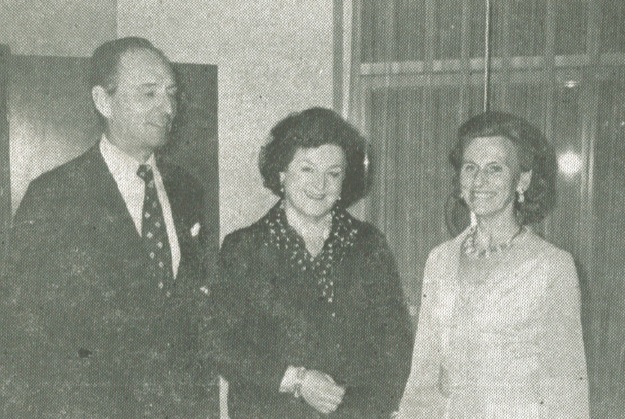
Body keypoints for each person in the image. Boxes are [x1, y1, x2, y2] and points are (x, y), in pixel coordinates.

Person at [0, 37, 217, 417]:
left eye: (171, 94)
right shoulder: (54, 196)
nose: (167, 108)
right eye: (148, 93)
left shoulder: (186, 189)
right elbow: (24, 330)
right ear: (103, 101)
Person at [200, 107, 413, 417]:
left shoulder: (369, 245)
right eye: (308, 169)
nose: (320, 184)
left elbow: (396, 347)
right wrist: (296, 379)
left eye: (333, 173)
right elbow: (218, 342)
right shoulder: (244, 248)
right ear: (282, 173)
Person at [397, 111, 590, 418]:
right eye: (470, 167)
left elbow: (566, 385)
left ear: (522, 180)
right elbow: (424, 373)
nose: (479, 181)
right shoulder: (440, 260)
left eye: (495, 169)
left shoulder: (552, 266)